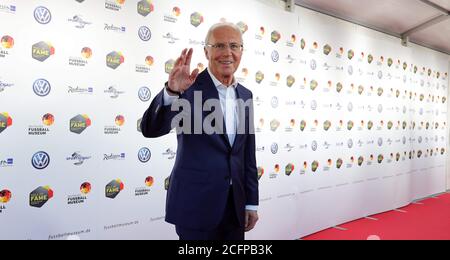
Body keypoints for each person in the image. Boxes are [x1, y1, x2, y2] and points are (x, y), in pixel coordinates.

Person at [141, 23, 258, 240]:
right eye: (219, 45)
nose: (228, 53)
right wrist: (171, 91)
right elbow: (151, 129)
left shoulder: (245, 95)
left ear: (242, 50)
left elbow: (247, 154)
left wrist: (251, 201)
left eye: (234, 46)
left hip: (235, 207)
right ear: (206, 51)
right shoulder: (188, 87)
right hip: (195, 206)